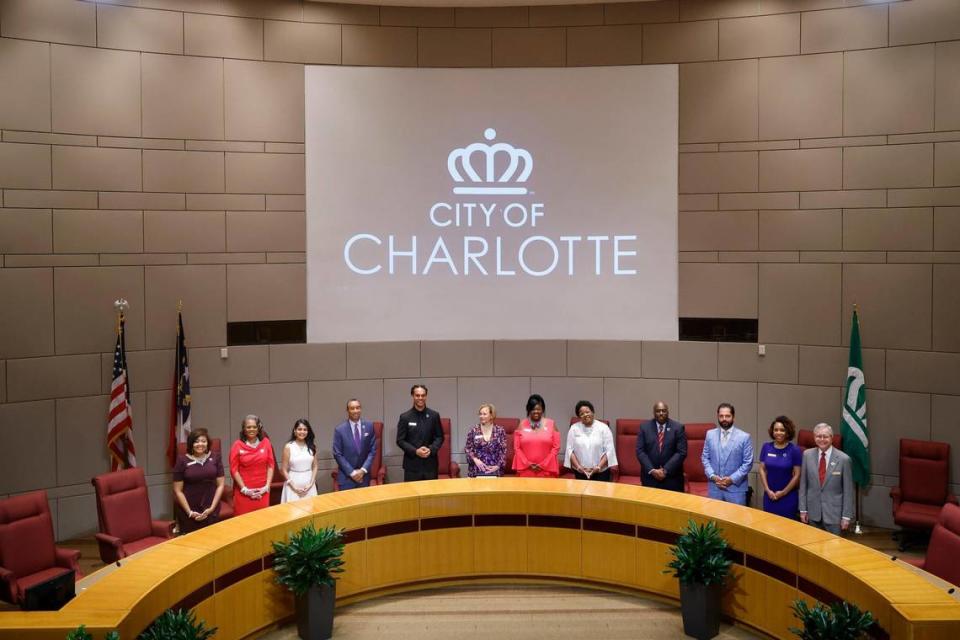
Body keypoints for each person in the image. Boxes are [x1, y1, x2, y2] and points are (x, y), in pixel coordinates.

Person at [799, 423, 854, 535]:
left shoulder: (844, 459)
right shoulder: (807, 455)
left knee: (833, 550)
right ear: (814, 438)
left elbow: (848, 491)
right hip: (813, 513)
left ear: (832, 438)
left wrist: (846, 516)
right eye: (819, 436)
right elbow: (803, 485)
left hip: (834, 515)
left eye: (825, 436)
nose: (822, 439)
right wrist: (803, 510)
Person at [172, 428, 224, 534]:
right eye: (196, 441)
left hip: (211, 507)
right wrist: (189, 512)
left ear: (208, 443)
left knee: (212, 540)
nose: (200, 444)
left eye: (203, 441)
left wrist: (212, 508)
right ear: (191, 443)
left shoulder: (215, 457)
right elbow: (178, 491)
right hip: (189, 510)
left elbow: (220, 485)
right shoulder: (182, 461)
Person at [701, 402, 753, 505]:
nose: (724, 419)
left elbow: (748, 463)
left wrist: (731, 479)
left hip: (736, 489)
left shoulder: (744, 437)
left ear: (733, 417)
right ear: (718, 417)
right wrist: (712, 476)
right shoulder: (710, 434)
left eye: (727, 416)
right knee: (713, 520)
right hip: (714, 488)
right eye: (721, 416)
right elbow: (705, 457)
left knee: (735, 519)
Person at [229, 414, 276, 515]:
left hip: (263, 492)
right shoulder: (237, 445)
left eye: (254, 427)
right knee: (244, 525)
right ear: (244, 429)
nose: (252, 429)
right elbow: (234, 470)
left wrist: (267, 486)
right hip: (244, 493)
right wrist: (245, 490)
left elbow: (271, 466)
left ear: (258, 428)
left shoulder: (266, 443)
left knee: (262, 522)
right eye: (248, 427)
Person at [635, 401, 687, 491]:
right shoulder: (644, 427)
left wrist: (665, 470)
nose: (661, 413)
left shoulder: (678, 428)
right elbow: (640, 451)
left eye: (664, 411)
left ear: (668, 412)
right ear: (654, 412)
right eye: (658, 411)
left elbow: (681, 452)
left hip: (672, 479)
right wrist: (652, 470)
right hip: (650, 479)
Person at [396, 384, 444, 482]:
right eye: (417, 395)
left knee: (431, 495)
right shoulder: (405, 417)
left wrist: (431, 449)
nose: (420, 398)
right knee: (412, 495)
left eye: (423, 395)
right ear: (413, 396)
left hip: (430, 465)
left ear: (426, 396)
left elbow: (440, 437)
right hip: (412, 466)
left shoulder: (434, 415)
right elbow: (400, 440)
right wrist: (415, 451)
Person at [758, 415, 802, 520]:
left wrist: (783, 493)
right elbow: (761, 469)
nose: (778, 433)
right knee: (768, 526)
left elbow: (797, 475)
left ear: (787, 432)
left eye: (782, 430)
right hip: (769, 496)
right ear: (772, 432)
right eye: (776, 430)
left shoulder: (794, 450)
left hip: (788, 497)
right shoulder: (766, 447)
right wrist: (767, 490)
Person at [564, 400, 616, 481]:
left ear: (593, 412)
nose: (585, 415)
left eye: (587, 412)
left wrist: (599, 467)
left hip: (601, 472)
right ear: (579, 417)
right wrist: (578, 467)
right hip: (580, 472)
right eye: (582, 414)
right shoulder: (574, 429)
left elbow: (609, 450)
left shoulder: (604, 428)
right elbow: (569, 450)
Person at [332, 399, 378, 489]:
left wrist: (362, 470)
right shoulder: (339, 430)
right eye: (352, 408)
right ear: (347, 410)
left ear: (360, 409)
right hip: (346, 478)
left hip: (364, 477)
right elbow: (337, 454)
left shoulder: (369, 426)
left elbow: (372, 451)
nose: (355, 411)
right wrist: (352, 473)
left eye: (357, 408)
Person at [513, 393, 560, 478]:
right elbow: (517, 448)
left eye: (539, 409)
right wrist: (528, 464)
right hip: (526, 470)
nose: (536, 411)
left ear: (543, 409)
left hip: (547, 470)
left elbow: (556, 448)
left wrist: (543, 465)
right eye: (533, 409)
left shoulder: (551, 424)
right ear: (528, 410)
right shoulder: (521, 424)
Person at [464, 403, 507, 477]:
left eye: (484, 414)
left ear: (491, 415)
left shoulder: (500, 431)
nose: (481, 416)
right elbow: (468, 449)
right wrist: (475, 460)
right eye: (480, 414)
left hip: (495, 470)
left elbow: (503, 451)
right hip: (476, 470)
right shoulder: (473, 430)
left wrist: (498, 466)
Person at [281, 418, 318, 502]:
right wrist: (294, 486)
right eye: (299, 429)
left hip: (309, 485)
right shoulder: (288, 447)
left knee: (310, 511)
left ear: (308, 431)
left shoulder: (312, 446)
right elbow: (283, 469)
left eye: (305, 429)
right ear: (295, 431)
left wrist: (311, 483)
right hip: (292, 485)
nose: (302, 432)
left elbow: (315, 466)